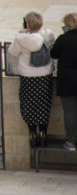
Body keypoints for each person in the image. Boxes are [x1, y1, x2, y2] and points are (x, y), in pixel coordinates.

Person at [8, 11, 56, 147]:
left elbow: (12, 52)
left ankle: (32, 133)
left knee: (28, 105)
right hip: (45, 76)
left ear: (27, 24)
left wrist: (21, 34)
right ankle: (43, 132)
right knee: (44, 105)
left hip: (28, 76)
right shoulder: (47, 35)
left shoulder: (21, 39)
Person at [50, 12, 77, 151]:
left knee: (70, 112)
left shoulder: (63, 39)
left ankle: (71, 142)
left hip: (67, 81)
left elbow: (53, 54)